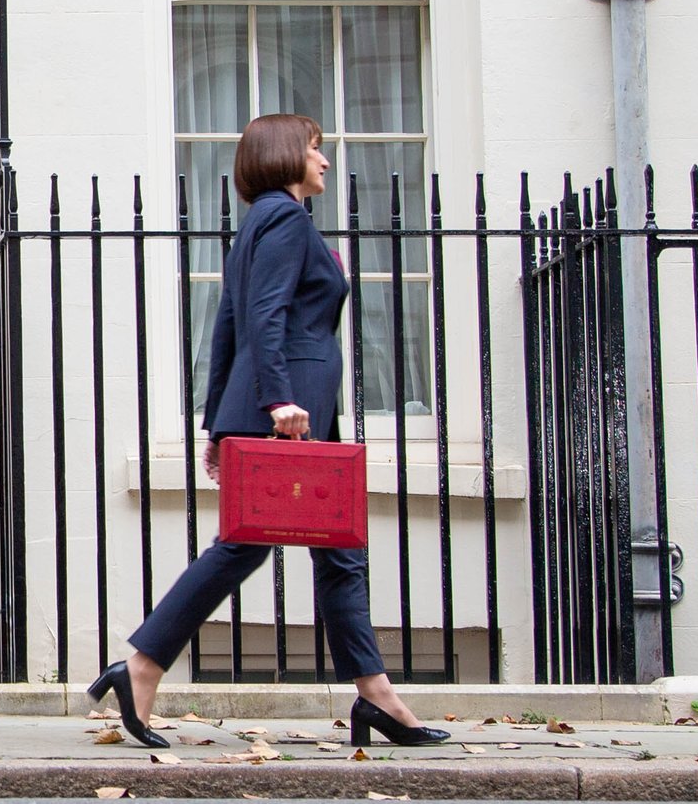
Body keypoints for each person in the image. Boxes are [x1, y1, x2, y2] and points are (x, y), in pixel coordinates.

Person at [87, 114, 449, 750]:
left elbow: (228, 322)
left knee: (337, 549)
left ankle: (375, 696)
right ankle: (142, 665)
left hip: (285, 409)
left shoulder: (258, 221)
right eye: (315, 149)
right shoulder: (284, 217)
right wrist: (277, 399)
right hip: (292, 412)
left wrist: (218, 423)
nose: (325, 162)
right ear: (286, 155)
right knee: (247, 545)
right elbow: (264, 314)